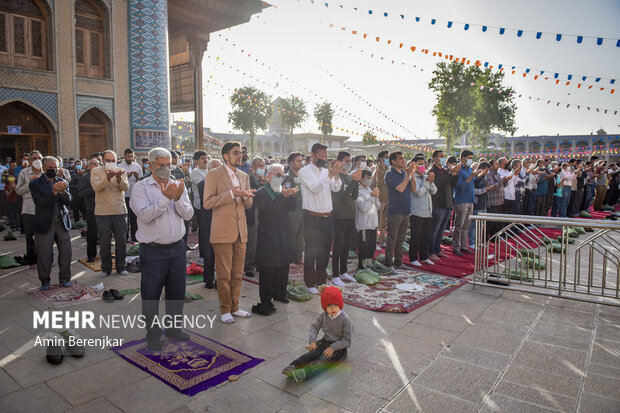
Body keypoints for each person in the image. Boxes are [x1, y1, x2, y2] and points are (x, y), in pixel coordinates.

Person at [130, 147, 193, 351]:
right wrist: (166, 197)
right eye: (161, 165)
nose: (166, 168)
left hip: (177, 248)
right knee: (151, 294)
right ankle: (153, 334)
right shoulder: (141, 188)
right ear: (150, 165)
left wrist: (177, 197)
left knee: (176, 292)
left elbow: (189, 214)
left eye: (169, 164)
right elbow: (145, 215)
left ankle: (174, 328)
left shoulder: (177, 184)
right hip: (153, 250)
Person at [204, 141, 255, 323]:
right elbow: (207, 202)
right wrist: (232, 194)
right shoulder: (214, 174)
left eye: (240, 153)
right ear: (225, 156)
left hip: (241, 232)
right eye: (235, 153)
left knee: (237, 273)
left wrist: (247, 197)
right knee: (224, 273)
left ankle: (235, 307)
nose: (239, 156)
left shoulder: (244, 175)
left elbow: (247, 204)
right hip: (222, 232)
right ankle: (225, 308)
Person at [251, 164, 299, 315]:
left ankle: (280, 293)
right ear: (270, 176)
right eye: (278, 175)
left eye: (282, 175)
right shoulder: (261, 193)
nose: (281, 178)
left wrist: (290, 196)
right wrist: (283, 197)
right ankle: (266, 298)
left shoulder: (281, 191)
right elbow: (269, 209)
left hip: (283, 233)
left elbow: (292, 207)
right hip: (268, 235)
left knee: (283, 265)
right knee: (268, 268)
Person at [281, 285, 353, 383]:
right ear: (324, 307)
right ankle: (293, 365)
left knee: (322, 360)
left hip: (338, 348)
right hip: (324, 342)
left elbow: (347, 340)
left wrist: (333, 348)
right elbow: (314, 327)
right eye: (329, 305)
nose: (332, 308)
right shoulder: (324, 316)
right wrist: (312, 341)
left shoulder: (345, 320)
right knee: (310, 355)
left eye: (335, 305)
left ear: (340, 304)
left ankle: (305, 373)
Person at [298, 143, 343, 294]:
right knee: (311, 251)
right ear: (312, 156)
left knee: (324, 251)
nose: (324, 158)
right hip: (312, 218)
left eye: (325, 155)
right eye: (321, 156)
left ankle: (321, 281)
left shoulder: (326, 172)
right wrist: (330, 175)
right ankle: (310, 283)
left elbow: (336, 188)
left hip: (327, 217)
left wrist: (335, 175)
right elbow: (315, 188)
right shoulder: (304, 172)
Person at [30, 156, 73, 291]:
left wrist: (62, 192)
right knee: (44, 253)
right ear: (43, 168)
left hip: (61, 220)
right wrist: (53, 192)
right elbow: (40, 204)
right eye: (50, 168)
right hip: (45, 222)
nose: (53, 170)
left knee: (66, 252)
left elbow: (69, 201)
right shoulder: (35, 184)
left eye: (55, 168)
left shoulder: (62, 181)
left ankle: (65, 279)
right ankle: (45, 281)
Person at [91, 150, 130, 277]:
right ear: (103, 161)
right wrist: (108, 178)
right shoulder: (96, 171)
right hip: (103, 212)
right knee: (104, 242)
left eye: (113, 160)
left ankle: (121, 266)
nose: (111, 163)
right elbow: (97, 187)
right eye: (108, 161)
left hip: (119, 210)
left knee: (121, 241)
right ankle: (105, 268)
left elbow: (125, 188)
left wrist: (118, 178)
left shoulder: (121, 170)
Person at [331, 151, 362, 285]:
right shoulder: (336, 178)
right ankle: (335, 274)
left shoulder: (350, 177)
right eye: (346, 161)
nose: (349, 164)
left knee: (346, 247)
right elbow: (342, 196)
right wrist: (353, 182)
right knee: (338, 247)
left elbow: (354, 196)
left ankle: (343, 272)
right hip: (339, 216)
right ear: (339, 162)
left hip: (350, 216)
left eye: (350, 161)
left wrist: (356, 182)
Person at [384, 151, 416, 270]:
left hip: (406, 209)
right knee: (392, 239)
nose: (403, 161)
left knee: (401, 239)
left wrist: (411, 174)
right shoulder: (390, 174)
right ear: (393, 161)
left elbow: (413, 189)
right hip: (395, 211)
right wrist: (408, 175)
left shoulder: (404, 173)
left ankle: (398, 262)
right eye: (401, 159)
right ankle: (388, 263)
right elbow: (401, 189)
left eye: (403, 158)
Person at [428, 150, 458, 261]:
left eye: (444, 156)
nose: (443, 158)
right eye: (441, 156)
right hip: (438, 203)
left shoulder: (445, 171)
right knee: (434, 230)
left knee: (441, 230)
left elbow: (452, 184)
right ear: (435, 158)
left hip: (448, 203)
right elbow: (439, 185)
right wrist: (451, 174)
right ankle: (431, 252)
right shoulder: (432, 171)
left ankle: (437, 250)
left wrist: (455, 175)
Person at [408, 153, 437, 267]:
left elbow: (434, 191)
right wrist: (427, 183)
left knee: (425, 236)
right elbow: (418, 193)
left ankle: (424, 257)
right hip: (416, 212)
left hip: (427, 212)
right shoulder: (412, 178)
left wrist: (430, 181)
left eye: (424, 164)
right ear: (414, 165)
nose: (423, 167)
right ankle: (413, 258)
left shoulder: (426, 177)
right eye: (420, 165)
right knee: (416, 236)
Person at [15, 151, 43, 267]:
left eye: (39, 158)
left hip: (43, 208)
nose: (36, 160)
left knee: (45, 235)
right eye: (34, 158)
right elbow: (18, 190)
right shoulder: (24, 172)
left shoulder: (46, 171)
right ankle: (32, 261)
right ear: (30, 161)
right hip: (29, 208)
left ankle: (45, 259)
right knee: (30, 236)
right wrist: (30, 184)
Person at [197, 159, 221, 290]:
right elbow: (209, 201)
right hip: (208, 222)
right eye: (215, 168)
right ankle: (208, 279)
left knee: (221, 254)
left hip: (221, 221)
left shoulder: (225, 184)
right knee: (208, 253)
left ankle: (220, 280)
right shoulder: (203, 184)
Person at [452, 150, 478, 256]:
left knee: (466, 226)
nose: (471, 160)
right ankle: (456, 247)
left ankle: (463, 246)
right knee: (459, 226)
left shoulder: (470, 169)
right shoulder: (459, 169)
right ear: (463, 158)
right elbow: (459, 186)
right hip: (461, 200)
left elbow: (474, 182)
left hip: (470, 200)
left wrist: (478, 175)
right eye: (469, 158)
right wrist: (471, 177)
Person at [244, 157, 266, 278]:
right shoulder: (248, 179)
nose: (261, 168)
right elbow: (252, 195)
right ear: (252, 167)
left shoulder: (266, 180)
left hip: (264, 213)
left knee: (262, 240)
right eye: (259, 166)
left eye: (263, 166)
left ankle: (260, 263)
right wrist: (262, 187)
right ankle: (248, 266)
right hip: (252, 213)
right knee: (252, 241)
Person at [283, 152, 304, 264]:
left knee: (301, 236)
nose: (301, 163)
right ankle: (290, 259)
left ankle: (298, 258)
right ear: (291, 163)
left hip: (303, 209)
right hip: (293, 211)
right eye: (298, 161)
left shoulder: (303, 175)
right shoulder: (287, 177)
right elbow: (289, 194)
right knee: (292, 236)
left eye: (301, 160)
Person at [355, 170, 380, 269]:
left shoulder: (370, 190)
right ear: (361, 179)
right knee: (364, 247)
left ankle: (369, 265)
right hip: (364, 225)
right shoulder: (358, 191)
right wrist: (373, 198)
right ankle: (362, 266)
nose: (369, 180)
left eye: (370, 178)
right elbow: (363, 208)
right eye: (367, 178)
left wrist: (376, 197)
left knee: (371, 247)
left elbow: (377, 206)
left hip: (373, 224)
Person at [117, 148, 143, 242]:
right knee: (125, 218)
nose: (130, 158)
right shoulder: (119, 166)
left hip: (134, 195)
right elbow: (117, 181)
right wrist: (126, 177)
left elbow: (141, 180)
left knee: (134, 217)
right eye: (128, 156)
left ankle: (134, 236)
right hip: (123, 195)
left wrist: (136, 177)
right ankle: (125, 236)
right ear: (125, 156)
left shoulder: (137, 166)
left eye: (132, 156)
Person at [78, 159, 100, 262]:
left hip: (104, 208)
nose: (96, 165)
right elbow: (81, 193)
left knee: (105, 234)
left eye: (98, 163)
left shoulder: (102, 175)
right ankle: (91, 255)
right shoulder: (85, 177)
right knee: (92, 233)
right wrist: (94, 187)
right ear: (89, 166)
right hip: (92, 209)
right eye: (94, 164)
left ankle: (104, 254)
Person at [371, 150, 390, 246]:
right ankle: (374, 242)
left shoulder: (388, 168)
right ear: (381, 159)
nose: (388, 159)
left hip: (388, 198)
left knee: (384, 222)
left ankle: (382, 240)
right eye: (386, 157)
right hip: (380, 198)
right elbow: (379, 182)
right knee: (377, 221)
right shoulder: (378, 169)